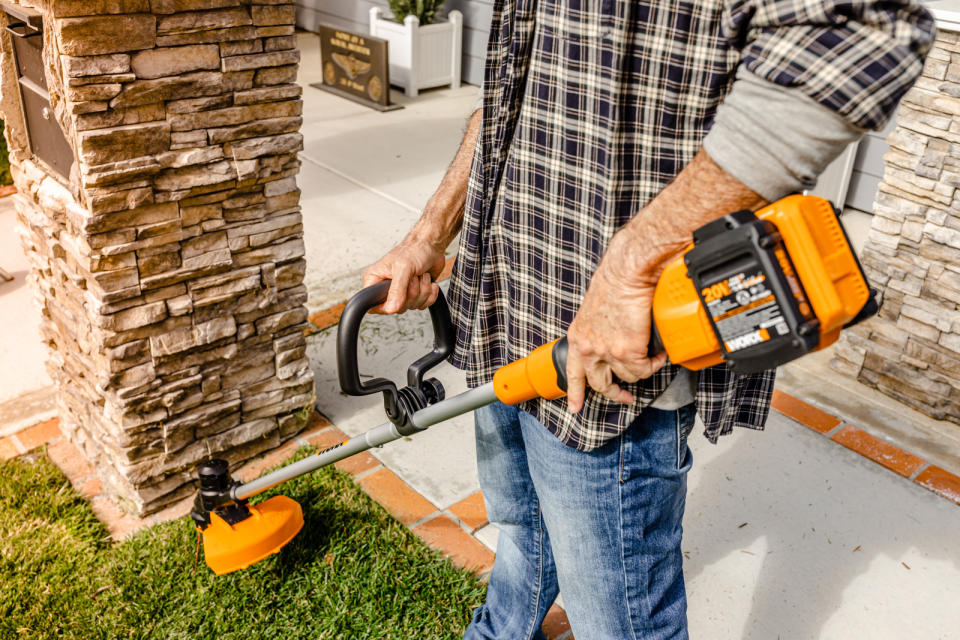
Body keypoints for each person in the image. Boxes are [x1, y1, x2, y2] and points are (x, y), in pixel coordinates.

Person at [364, 1, 935, 637]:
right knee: (524, 527)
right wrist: (432, 231)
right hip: (506, 297)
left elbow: (852, 41)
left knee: (619, 619)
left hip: (617, 353)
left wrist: (629, 269)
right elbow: (515, 86)